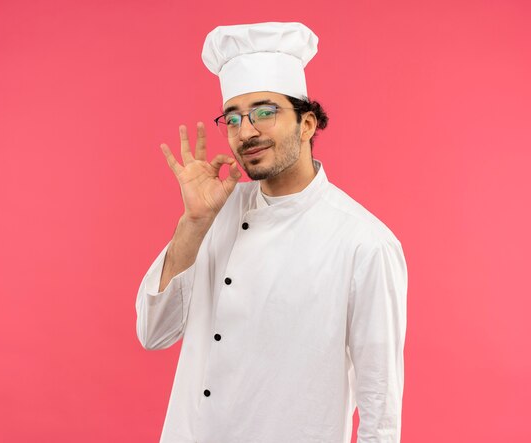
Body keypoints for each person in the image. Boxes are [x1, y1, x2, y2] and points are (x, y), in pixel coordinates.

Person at [136, 22, 408, 443]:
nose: (246, 131)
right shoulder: (216, 213)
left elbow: (381, 406)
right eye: (233, 117)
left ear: (307, 124)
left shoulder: (364, 243)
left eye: (265, 111)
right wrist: (193, 224)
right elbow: (154, 333)